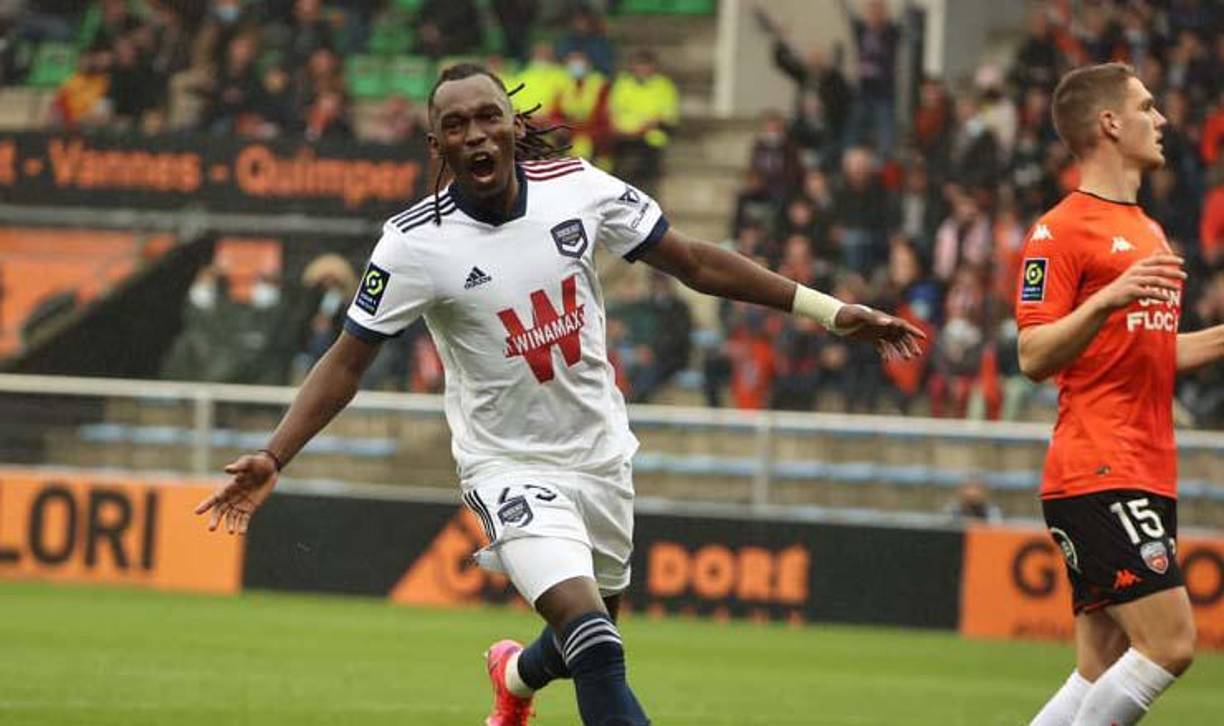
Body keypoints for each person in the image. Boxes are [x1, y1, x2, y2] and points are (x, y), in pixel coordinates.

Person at [194, 63, 924, 726]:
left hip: (601, 456)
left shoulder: (577, 187)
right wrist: (274, 455)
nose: (476, 134)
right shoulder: (413, 244)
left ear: (514, 124)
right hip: (508, 465)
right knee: (598, 647)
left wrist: (829, 311)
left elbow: (695, 262)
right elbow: (348, 361)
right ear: (436, 145)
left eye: (488, 116)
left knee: (589, 636)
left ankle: (513, 677)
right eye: (456, 125)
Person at [1020, 63, 1224, 726]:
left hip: (1144, 466)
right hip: (1099, 468)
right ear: (1110, 123)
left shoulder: (1147, 229)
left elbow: (1150, 352)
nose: (1160, 119)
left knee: (1098, 668)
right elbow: (1032, 354)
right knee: (1171, 644)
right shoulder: (1059, 230)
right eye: (1146, 106)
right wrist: (1107, 299)